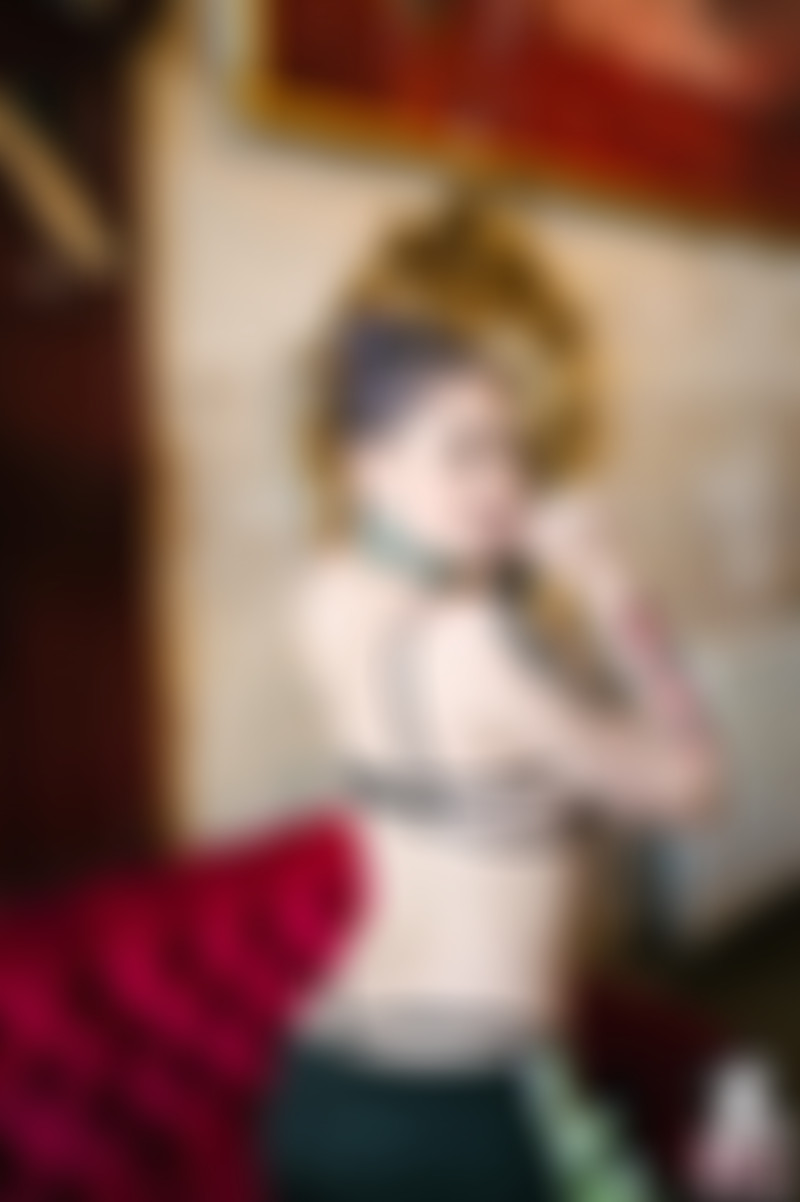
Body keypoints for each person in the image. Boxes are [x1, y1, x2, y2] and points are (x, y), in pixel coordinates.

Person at [259, 199, 721, 1202]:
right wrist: (614, 589)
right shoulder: (481, 647)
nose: (504, 484)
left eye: (513, 448)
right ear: (363, 460)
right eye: (463, 450)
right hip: (463, 1109)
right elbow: (693, 784)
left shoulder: (323, 597)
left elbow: (451, 720)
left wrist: (502, 562)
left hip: (322, 1086)